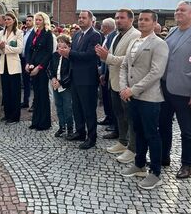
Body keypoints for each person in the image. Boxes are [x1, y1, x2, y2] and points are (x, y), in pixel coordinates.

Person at [160, 1, 191, 178]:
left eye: (183, 10)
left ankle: (186, 165)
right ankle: (164, 157)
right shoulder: (173, 31)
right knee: (164, 125)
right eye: (176, 9)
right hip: (166, 88)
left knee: (187, 131)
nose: (178, 12)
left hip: (185, 91)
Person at [119, 10, 169, 190]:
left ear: (155, 23)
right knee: (138, 131)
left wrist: (132, 89)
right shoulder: (134, 40)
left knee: (152, 134)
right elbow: (125, 65)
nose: (142, 22)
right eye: (140, 19)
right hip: (132, 96)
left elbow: (156, 73)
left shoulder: (159, 44)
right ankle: (139, 164)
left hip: (149, 98)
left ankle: (155, 173)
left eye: (146, 20)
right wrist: (124, 88)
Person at [96, 9, 141, 163]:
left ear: (131, 20)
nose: (118, 20)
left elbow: (130, 60)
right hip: (114, 81)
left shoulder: (135, 35)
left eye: (122, 18)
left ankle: (132, 149)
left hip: (127, 84)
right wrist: (105, 71)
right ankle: (122, 142)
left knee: (130, 117)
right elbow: (112, 56)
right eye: (116, 18)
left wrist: (107, 57)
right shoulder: (115, 35)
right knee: (119, 115)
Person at [60, 10, 101, 150]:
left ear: (91, 20)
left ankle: (91, 138)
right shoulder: (77, 34)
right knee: (76, 107)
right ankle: (80, 132)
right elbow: (75, 55)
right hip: (75, 78)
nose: (81, 20)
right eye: (79, 17)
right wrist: (67, 54)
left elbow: (91, 55)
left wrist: (70, 53)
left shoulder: (95, 35)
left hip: (88, 79)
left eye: (84, 18)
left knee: (88, 109)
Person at [26, 12, 54, 131]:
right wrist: (28, 63)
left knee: (43, 95)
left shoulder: (48, 34)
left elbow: (48, 53)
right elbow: (31, 50)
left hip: (42, 68)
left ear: (44, 21)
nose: (37, 22)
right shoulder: (34, 33)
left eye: (39, 20)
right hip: (33, 66)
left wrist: (39, 67)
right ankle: (36, 121)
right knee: (36, 95)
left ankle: (44, 123)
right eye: (36, 20)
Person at [0, 12, 23, 124]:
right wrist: (2, 48)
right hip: (3, 65)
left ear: (13, 20)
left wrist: (5, 47)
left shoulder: (19, 32)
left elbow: (19, 49)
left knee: (15, 93)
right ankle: (7, 115)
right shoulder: (1, 32)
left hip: (14, 66)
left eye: (9, 19)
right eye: (5, 19)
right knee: (6, 92)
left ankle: (15, 117)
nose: (7, 21)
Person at [49, 34, 74, 137]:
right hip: (56, 85)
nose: (61, 49)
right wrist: (53, 78)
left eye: (64, 47)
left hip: (66, 86)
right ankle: (61, 127)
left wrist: (61, 82)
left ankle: (70, 128)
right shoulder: (55, 55)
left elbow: (70, 73)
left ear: (68, 47)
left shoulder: (70, 57)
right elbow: (49, 69)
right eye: (59, 46)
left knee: (67, 108)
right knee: (58, 106)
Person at [20, 15, 35, 109]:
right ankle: (25, 101)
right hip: (23, 59)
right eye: (26, 20)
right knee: (25, 82)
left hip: (31, 61)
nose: (27, 22)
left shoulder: (35, 32)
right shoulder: (24, 33)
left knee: (33, 82)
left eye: (30, 20)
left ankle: (34, 103)